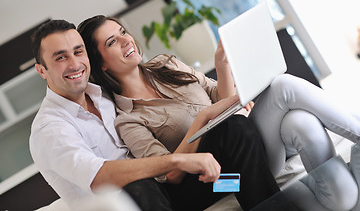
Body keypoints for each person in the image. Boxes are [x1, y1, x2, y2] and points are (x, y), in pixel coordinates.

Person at [78, 15, 360, 211]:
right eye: (112, 42)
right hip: (225, 176)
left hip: (247, 141)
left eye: (123, 32)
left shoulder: (168, 64)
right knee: (283, 87)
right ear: (101, 64)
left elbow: (223, 101)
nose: (126, 41)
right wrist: (203, 119)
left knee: (298, 119)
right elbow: (170, 174)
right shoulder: (128, 119)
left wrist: (222, 65)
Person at [29, 19, 289, 211]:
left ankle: (263, 198)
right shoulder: (49, 128)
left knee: (234, 134)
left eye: (78, 52)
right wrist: (176, 161)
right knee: (137, 186)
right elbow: (99, 176)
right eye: (60, 57)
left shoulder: (105, 98)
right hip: (131, 203)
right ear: (42, 70)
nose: (74, 64)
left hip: (176, 197)